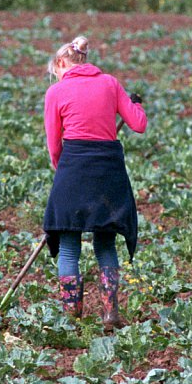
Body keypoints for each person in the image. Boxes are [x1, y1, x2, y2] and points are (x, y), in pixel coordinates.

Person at [42, 36, 147, 331]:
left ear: (63, 63)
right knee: (105, 240)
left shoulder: (57, 91)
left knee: (68, 243)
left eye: (56, 70)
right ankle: (110, 312)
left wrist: (63, 170)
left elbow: (54, 145)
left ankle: (71, 314)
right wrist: (136, 106)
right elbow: (138, 124)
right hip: (108, 170)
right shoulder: (111, 83)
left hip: (73, 166)